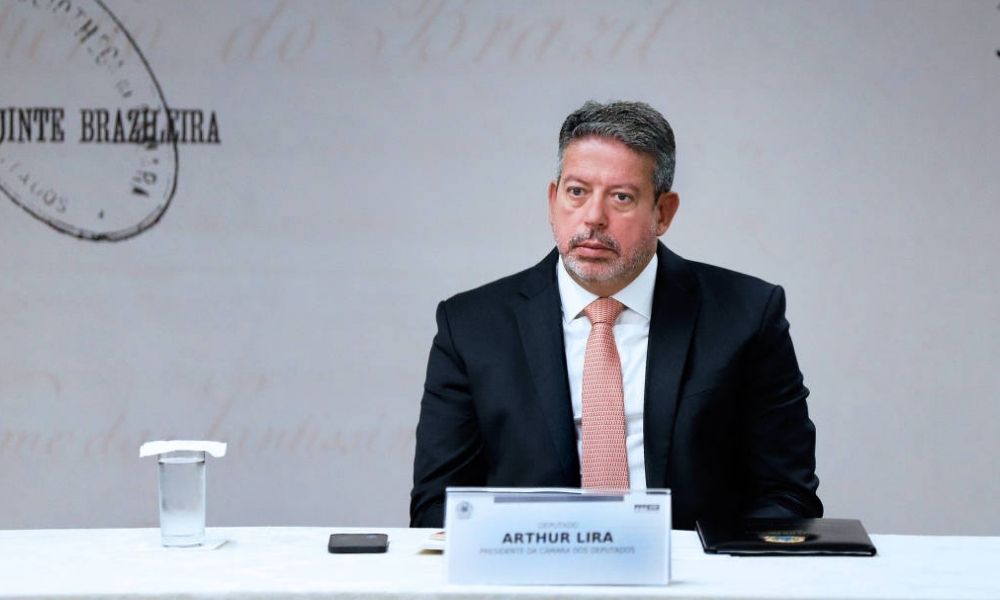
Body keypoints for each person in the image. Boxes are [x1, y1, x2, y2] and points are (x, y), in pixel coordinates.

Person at [410, 100, 822, 529]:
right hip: (531, 565)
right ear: (552, 200)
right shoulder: (470, 328)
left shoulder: (747, 316)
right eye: (576, 192)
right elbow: (436, 509)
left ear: (663, 213)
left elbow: (789, 495)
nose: (593, 218)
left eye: (621, 197)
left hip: (689, 565)